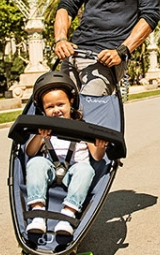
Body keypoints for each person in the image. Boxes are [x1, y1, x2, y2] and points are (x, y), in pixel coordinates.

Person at [24, 72, 108, 235]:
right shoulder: (45, 129)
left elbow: (97, 157)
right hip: (50, 171)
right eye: (50, 107)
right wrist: (40, 137)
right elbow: (30, 152)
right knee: (36, 163)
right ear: (43, 109)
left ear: (71, 102)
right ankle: (38, 214)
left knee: (86, 169)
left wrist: (100, 145)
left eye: (60, 104)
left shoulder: (83, 128)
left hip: (75, 172)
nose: (56, 110)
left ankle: (68, 215)